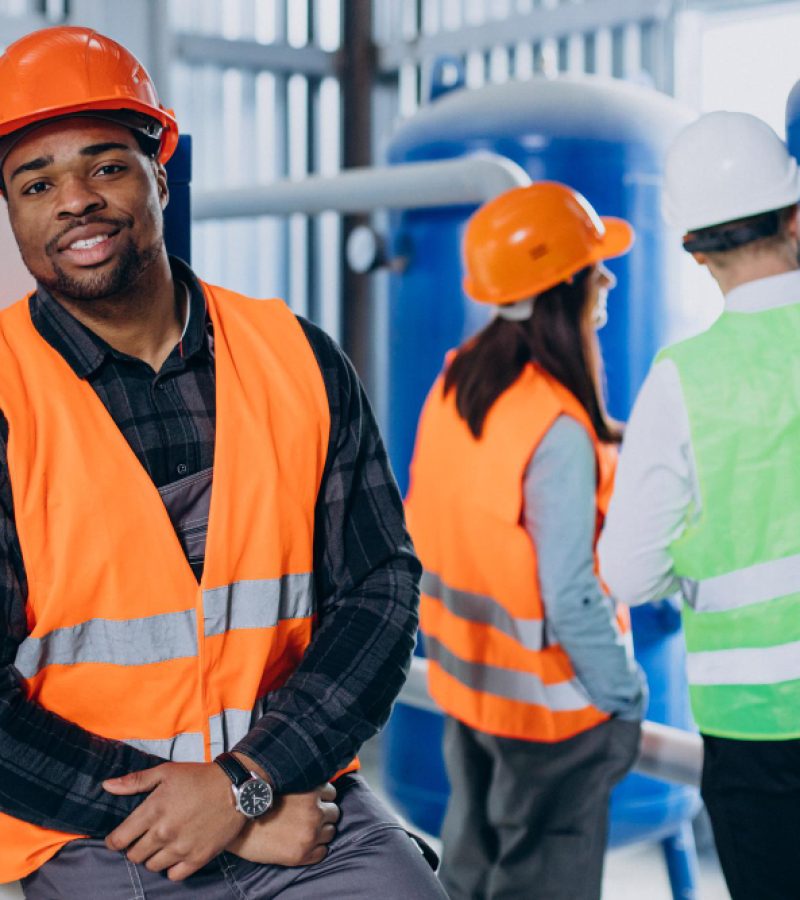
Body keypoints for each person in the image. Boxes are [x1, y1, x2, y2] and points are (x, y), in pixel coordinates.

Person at [0, 25, 447, 899]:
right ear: (13, 213)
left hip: (292, 787)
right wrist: (189, 809)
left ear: (160, 174)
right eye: (36, 182)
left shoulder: (296, 358)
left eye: (106, 165)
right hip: (86, 823)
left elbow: (379, 592)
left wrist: (247, 782)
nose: (76, 200)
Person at [404, 182, 647, 900]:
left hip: (469, 689)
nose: (607, 277)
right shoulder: (557, 429)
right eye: (592, 265)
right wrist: (624, 696)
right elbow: (570, 595)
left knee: (472, 876)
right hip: (555, 717)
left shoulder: (460, 383)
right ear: (557, 286)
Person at [599, 110, 800, 900]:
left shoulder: (682, 378)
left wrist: (699, 570)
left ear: (692, 250)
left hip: (751, 728)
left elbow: (628, 570)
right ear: (795, 216)